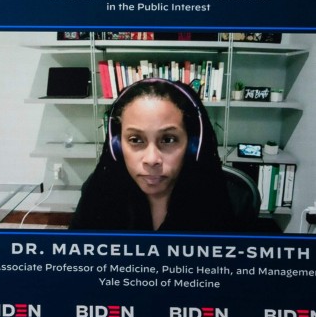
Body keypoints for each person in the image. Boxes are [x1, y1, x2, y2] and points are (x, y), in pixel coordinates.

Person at [69, 78, 236, 232]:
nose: (151, 160)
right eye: (135, 140)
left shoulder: (222, 196)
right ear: (117, 146)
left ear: (193, 146)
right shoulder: (98, 190)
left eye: (168, 139)